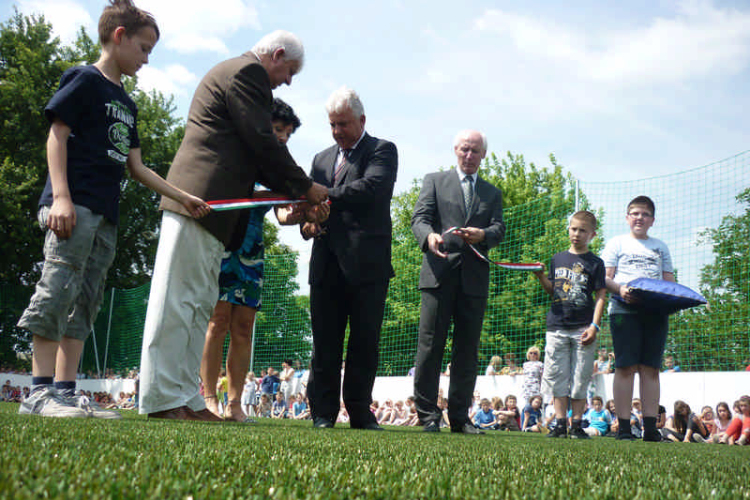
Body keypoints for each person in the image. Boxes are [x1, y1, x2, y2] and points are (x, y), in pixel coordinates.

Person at [17, 0, 211, 419]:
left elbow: (136, 166)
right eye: (143, 49)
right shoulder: (84, 80)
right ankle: (37, 394)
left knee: (86, 300)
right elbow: (57, 135)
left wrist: (182, 196)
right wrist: (62, 197)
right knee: (57, 289)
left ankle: (65, 392)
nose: (145, 60)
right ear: (119, 36)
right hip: (74, 205)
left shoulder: (127, 102)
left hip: (105, 215)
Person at [138, 30, 328, 421]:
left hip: (216, 214)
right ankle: (161, 399)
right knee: (178, 304)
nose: (288, 81)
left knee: (195, 305)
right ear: (276, 55)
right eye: (289, 70)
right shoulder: (246, 74)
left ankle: (187, 398)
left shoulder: (240, 75)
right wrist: (305, 187)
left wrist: (297, 197)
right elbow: (262, 143)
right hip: (199, 201)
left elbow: (256, 155)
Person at [199, 100, 321, 422]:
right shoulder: (237, 153)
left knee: (243, 326)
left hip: (253, 252)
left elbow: (282, 214)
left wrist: (297, 214)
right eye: (278, 130)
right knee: (218, 321)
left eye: (288, 134)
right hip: (225, 244)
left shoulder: (276, 166)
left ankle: (235, 404)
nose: (282, 138)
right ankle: (209, 397)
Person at [302, 86, 398, 431]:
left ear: (361, 120)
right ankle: (322, 413)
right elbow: (311, 213)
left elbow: (371, 189)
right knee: (324, 343)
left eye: (343, 124)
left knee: (364, 342)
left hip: (367, 265)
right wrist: (308, 224)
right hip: (326, 265)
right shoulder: (321, 159)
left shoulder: (382, 151)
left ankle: (359, 411)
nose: (337, 131)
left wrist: (324, 195)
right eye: (332, 124)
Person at [412, 130, 505, 435]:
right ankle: (427, 415)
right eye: (465, 149)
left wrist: (484, 235)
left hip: (474, 281)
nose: (469, 156)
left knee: (467, 350)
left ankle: (460, 417)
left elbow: (499, 229)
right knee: (429, 346)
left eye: (475, 151)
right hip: (438, 275)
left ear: (483, 155)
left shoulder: (492, 193)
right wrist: (429, 236)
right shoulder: (435, 181)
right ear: (455, 150)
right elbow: (420, 219)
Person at [602, 195, 675, 441]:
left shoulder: (660, 246)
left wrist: (672, 301)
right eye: (635, 213)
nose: (639, 218)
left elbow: (669, 282)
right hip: (624, 311)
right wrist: (620, 290)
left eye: (645, 214)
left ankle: (651, 428)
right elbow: (605, 277)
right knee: (625, 367)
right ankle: (623, 427)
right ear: (627, 217)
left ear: (652, 220)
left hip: (655, 313)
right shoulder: (616, 243)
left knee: (651, 369)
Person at [532, 210, 607, 439]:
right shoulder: (558, 258)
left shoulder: (596, 263)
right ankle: (560, 423)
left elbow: (601, 296)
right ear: (569, 229)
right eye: (574, 229)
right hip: (556, 326)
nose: (577, 234)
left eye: (583, 230)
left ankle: (576, 424)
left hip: (583, 328)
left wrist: (595, 326)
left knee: (580, 376)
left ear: (592, 234)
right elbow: (551, 289)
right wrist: (541, 276)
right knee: (557, 376)